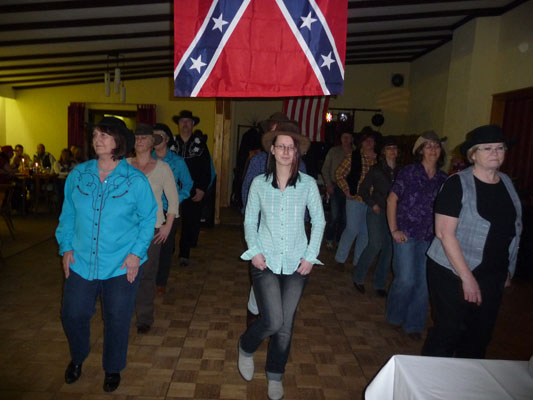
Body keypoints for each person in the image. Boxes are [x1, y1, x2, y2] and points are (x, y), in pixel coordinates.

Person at [55, 117, 157, 392]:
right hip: (81, 261)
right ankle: (78, 356)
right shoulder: (79, 175)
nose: (97, 139)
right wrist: (66, 247)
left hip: (121, 264)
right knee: (72, 314)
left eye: (104, 135)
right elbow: (68, 214)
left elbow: (149, 218)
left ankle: (112, 367)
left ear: (118, 141)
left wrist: (136, 254)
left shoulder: (135, 180)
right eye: (95, 134)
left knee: (117, 318)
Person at [237, 122, 325, 400]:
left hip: (298, 263)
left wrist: (310, 256)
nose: (286, 151)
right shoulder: (259, 184)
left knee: (286, 326)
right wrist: (254, 251)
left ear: (296, 152)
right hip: (265, 260)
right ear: (272, 150)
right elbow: (250, 220)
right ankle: (246, 346)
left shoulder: (308, 184)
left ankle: (275, 375)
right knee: (274, 320)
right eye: (281, 146)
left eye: (291, 147)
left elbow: (319, 221)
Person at [422, 125, 522, 358]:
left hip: (493, 273)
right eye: (487, 148)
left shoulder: (507, 183)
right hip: (451, 272)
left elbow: (511, 230)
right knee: (448, 332)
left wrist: (507, 269)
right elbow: (444, 233)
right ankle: (432, 379)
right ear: (473, 155)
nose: (495, 153)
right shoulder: (457, 184)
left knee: (479, 336)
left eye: (500, 148)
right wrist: (466, 278)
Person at [240, 113, 307, 327]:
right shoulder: (258, 160)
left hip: (290, 233)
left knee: (287, 276)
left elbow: (304, 201)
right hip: (264, 229)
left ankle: (281, 318)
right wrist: (255, 227)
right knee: (263, 274)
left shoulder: (300, 166)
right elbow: (247, 192)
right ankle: (254, 315)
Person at [386, 131, 447, 341]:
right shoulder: (409, 172)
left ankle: (414, 325)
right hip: (405, 234)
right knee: (406, 280)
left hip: (430, 237)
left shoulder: (444, 178)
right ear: (420, 150)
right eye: (428, 146)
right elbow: (391, 200)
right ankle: (394, 316)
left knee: (423, 284)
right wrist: (394, 230)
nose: (433, 149)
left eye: (436, 146)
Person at [128, 124, 179, 334]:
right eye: (136, 137)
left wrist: (167, 226)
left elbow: (173, 200)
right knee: (122, 273)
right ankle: (122, 312)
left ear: (152, 142)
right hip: (125, 229)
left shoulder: (163, 168)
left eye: (144, 137)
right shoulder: (124, 165)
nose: (139, 141)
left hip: (152, 229)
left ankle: (144, 318)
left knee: (146, 274)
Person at [354, 136, 400, 296]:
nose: (392, 151)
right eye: (389, 148)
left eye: (394, 148)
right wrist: (373, 204)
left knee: (389, 248)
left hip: (394, 214)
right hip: (377, 211)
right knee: (375, 244)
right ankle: (358, 277)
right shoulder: (376, 169)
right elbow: (363, 189)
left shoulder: (402, 171)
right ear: (383, 152)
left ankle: (379, 283)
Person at [152, 122, 193, 293]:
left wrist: (175, 200)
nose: (156, 139)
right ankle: (147, 277)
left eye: (160, 136)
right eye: (153, 136)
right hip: (149, 209)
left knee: (165, 246)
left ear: (167, 139)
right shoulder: (146, 160)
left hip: (169, 210)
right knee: (148, 245)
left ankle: (160, 281)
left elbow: (188, 184)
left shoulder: (177, 161)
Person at [334, 127, 379, 270]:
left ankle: (358, 263)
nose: (369, 143)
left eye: (371, 140)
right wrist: (346, 190)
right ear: (361, 142)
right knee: (352, 229)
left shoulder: (379, 159)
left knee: (365, 233)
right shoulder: (353, 156)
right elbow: (339, 173)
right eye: (366, 140)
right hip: (355, 199)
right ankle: (340, 259)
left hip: (372, 201)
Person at [171, 110, 212, 266]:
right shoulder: (171, 143)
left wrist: (202, 189)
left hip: (193, 190)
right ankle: (168, 250)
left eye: (188, 121)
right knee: (170, 220)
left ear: (193, 124)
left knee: (190, 222)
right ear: (178, 123)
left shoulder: (200, 145)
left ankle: (184, 253)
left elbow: (206, 169)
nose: (185, 124)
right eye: (182, 121)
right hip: (172, 189)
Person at [321, 131, 354, 250]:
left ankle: (340, 240)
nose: (345, 139)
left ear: (352, 139)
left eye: (348, 137)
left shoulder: (356, 153)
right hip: (335, 187)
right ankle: (329, 239)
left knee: (345, 218)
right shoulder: (334, 151)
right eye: (343, 137)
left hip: (350, 189)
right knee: (334, 216)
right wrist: (328, 184)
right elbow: (325, 169)